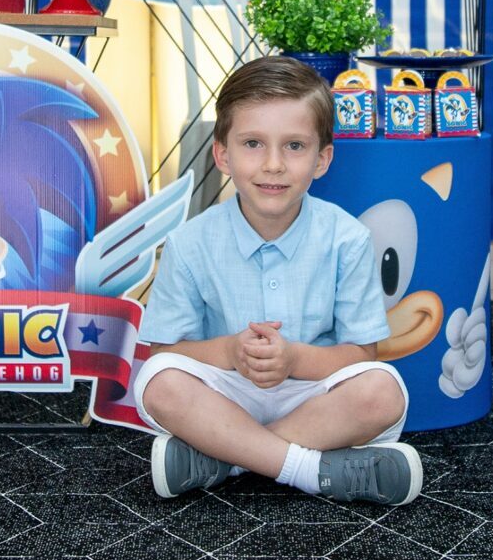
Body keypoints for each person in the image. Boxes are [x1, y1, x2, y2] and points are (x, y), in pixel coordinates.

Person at [133, 56, 421, 505]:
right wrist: (230, 352)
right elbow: (165, 352)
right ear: (222, 155)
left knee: (384, 391)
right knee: (158, 382)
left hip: (313, 396)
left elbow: (361, 354)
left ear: (322, 159)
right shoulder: (189, 242)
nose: (273, 164)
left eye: (294, 146)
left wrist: (293, 360)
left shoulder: (347, 238)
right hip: (224, 394)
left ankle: (226, 459)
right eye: (253, 143)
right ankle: (311, 470)